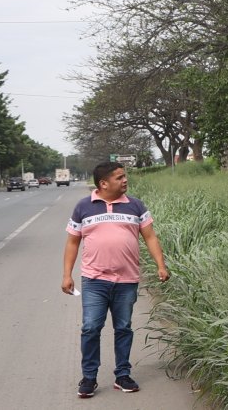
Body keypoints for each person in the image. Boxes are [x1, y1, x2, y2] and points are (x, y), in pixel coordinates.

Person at [61, 161, 169, 398]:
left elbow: (150, 237)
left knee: (123, 328)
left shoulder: (135, 205)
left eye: (124, 176)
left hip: (127, 280)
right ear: (103, 183)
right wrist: (67, 275)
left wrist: (161, 265)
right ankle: (89, 378)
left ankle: (123, 375)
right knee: (90, 328)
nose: (125, 180)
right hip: (94, 280)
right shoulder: (83, 207)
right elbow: (72, 242)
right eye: (119, 177)